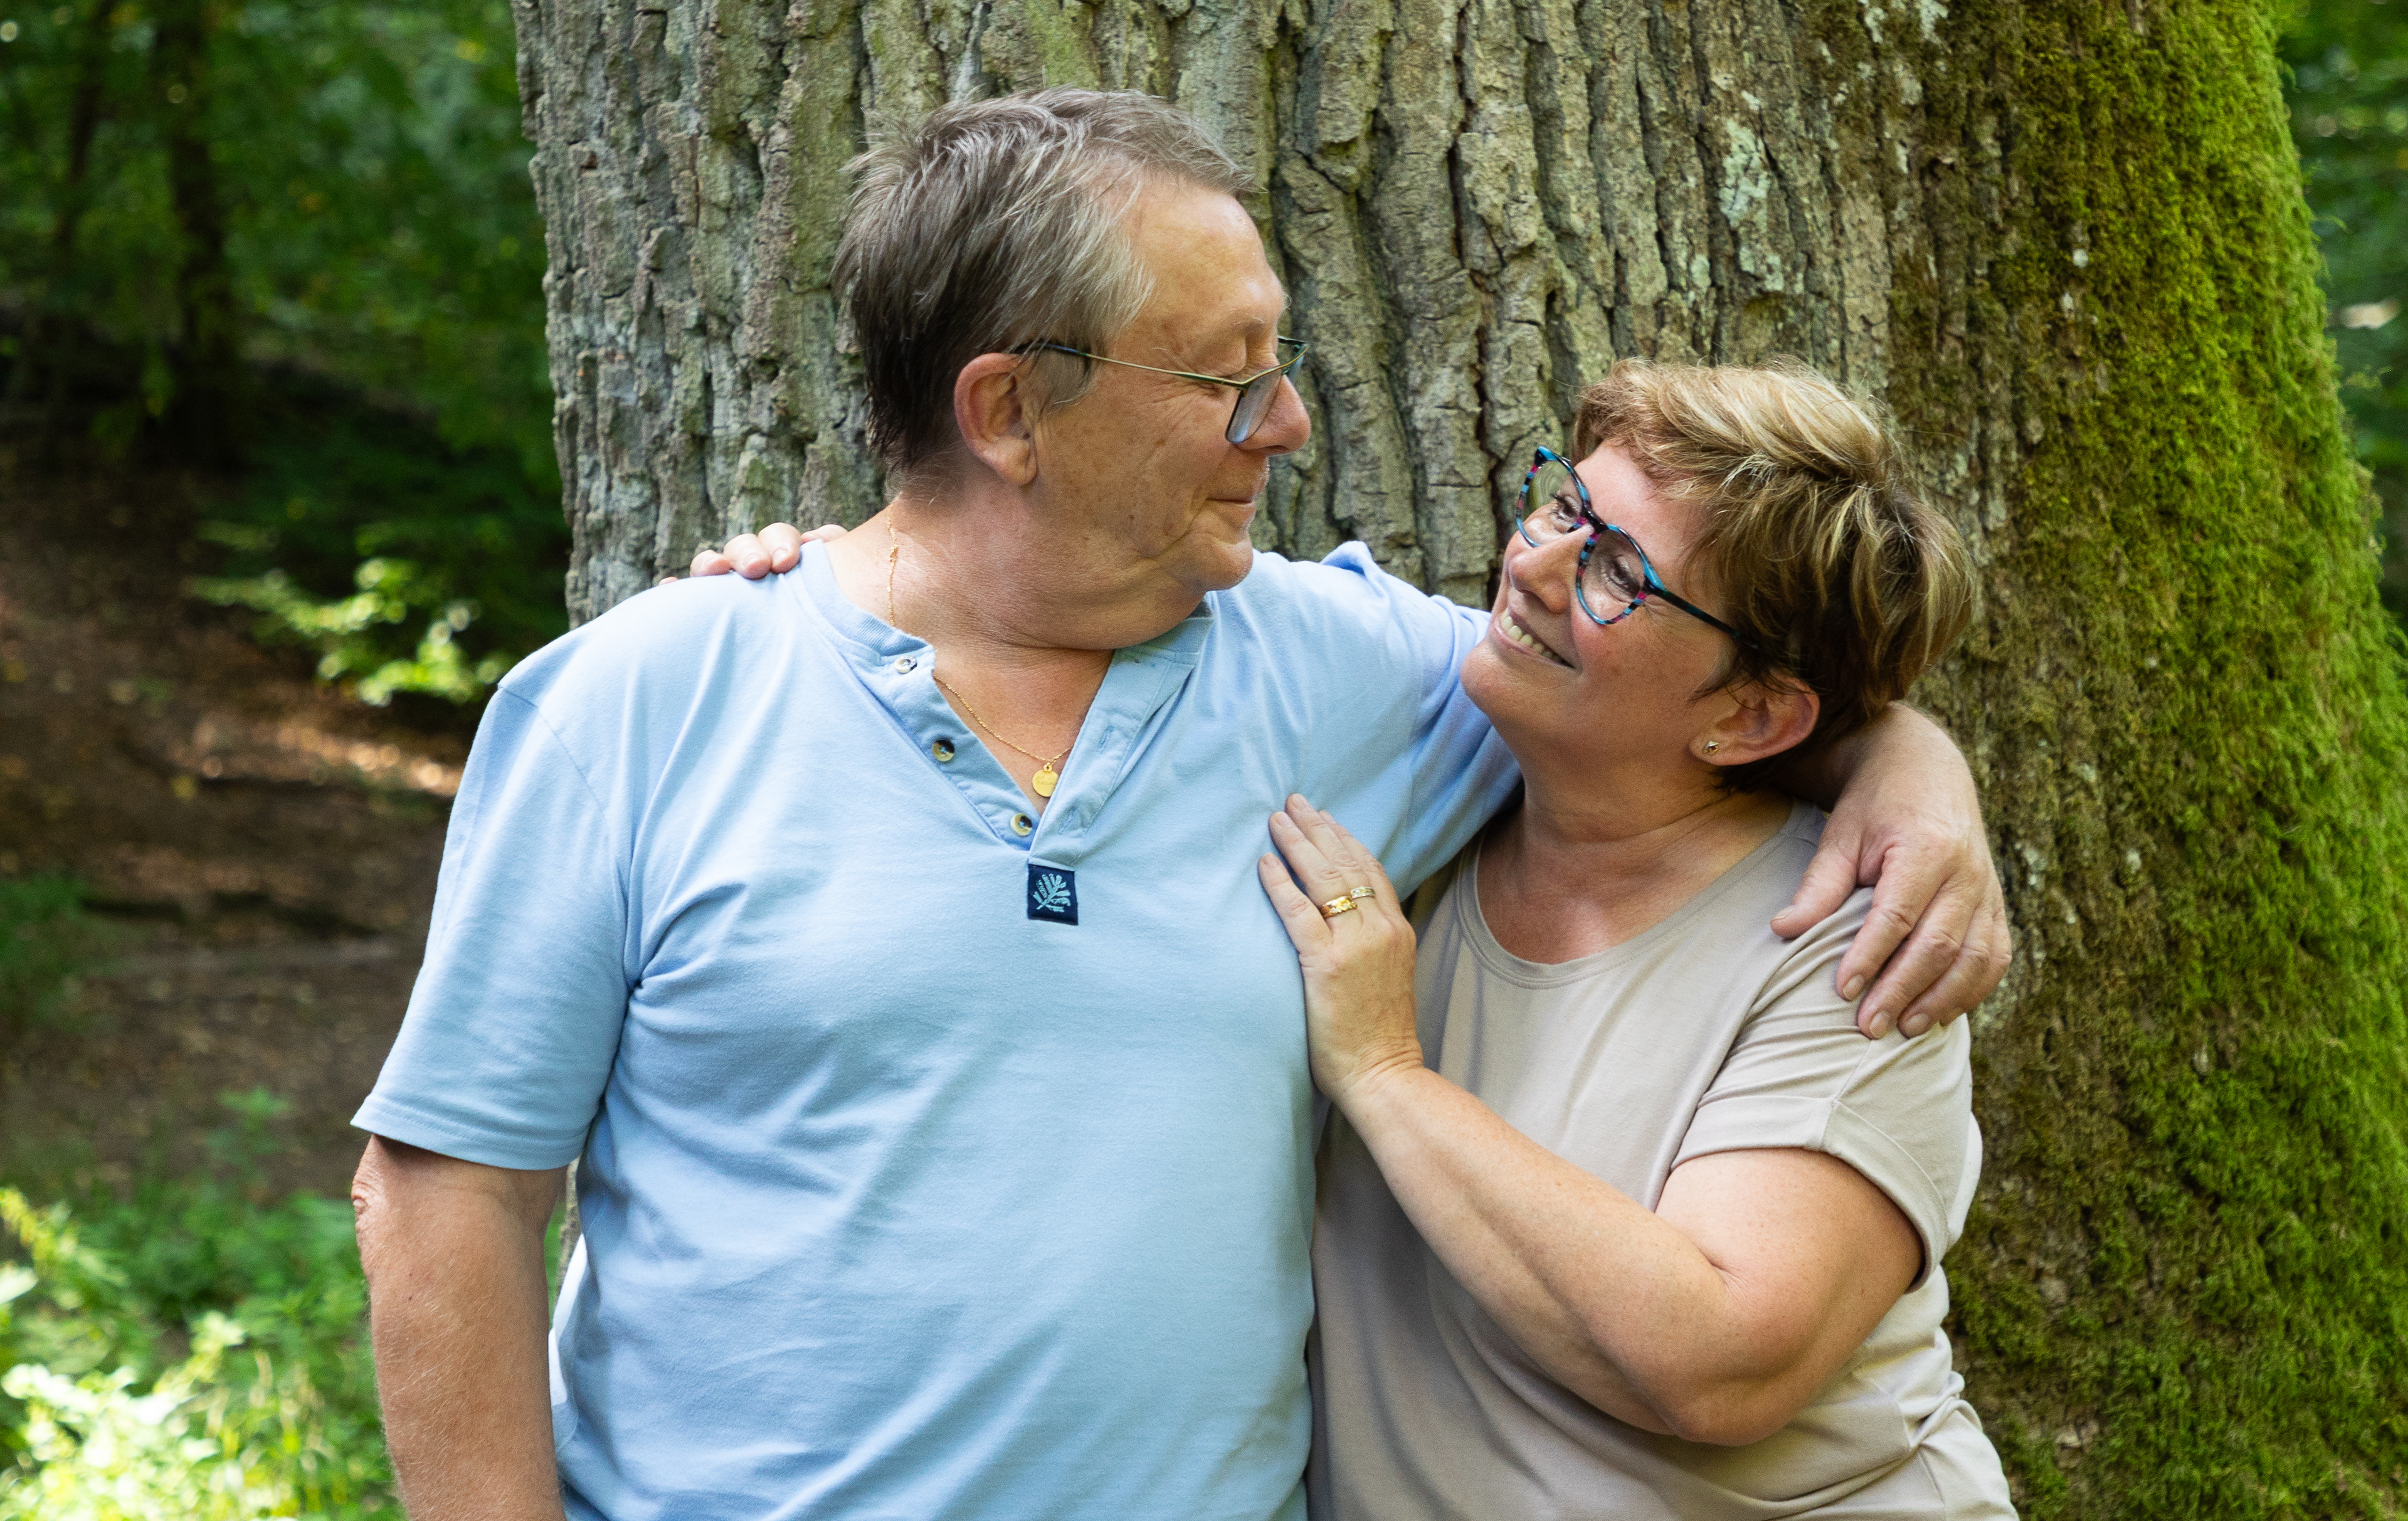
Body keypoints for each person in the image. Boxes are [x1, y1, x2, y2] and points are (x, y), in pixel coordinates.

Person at [351, 89, 2007, 1521]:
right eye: (1227, 378)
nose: (1285, 422)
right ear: (1008, 411)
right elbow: (447, 1194)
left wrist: (1906, 770)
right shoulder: (642, 702)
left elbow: (1665, 717)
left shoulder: (1361, 681)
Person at [1254, 359, 2016, 1517]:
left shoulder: (1849, 940)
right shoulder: (1430, 799)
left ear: (1751, 716)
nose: (1537, 563)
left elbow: (1725, 1360)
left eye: (1619, 572)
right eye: (1566, 506)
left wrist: (1383, 1071)